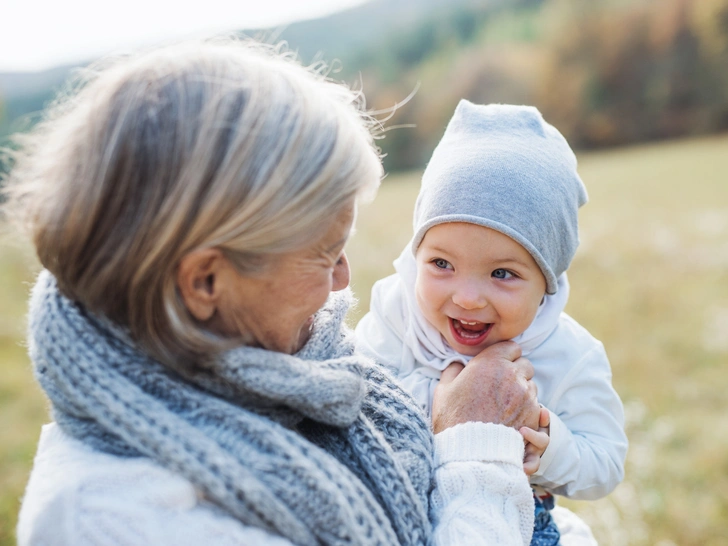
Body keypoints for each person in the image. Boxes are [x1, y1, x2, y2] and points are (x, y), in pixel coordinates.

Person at [1, 40, 579, 545]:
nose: (344, 280)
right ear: (206, 282)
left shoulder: (279, 363)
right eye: (325, 255)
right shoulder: (115, 519)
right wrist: (476, 452)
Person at [356, 101, 629, 545]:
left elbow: (606, 464)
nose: (466, 296)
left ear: (547, 283)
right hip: (394, 508)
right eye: (441, 263)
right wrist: (444, 407)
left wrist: (547, 444)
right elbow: (358, 403)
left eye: (502, 273)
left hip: (517, 523)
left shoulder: (570, 355)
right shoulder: (395, 314)